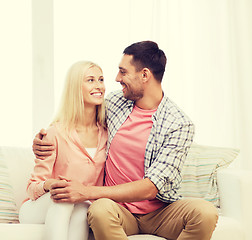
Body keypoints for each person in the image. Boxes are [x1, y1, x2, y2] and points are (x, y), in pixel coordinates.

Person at [33, 41, 218, 240]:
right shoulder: (114, 104)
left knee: (205, 213)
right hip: (118, 211)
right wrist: (42, 139)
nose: (117, 78)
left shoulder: (179, 124)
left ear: (145, 75)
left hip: (159, 213)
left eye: (123, 72)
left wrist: (85, 191)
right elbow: (77, 116)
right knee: (100, 209)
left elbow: (150, 187)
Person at [19, 61, 108, 240]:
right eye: (90, 80)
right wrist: (50, 184)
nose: (98, 86)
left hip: (81, 204)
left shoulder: (108, 134)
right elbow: (32, 187)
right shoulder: (55, 133)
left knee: (82, 208)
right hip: (39, 207)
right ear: (75, 88)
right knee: (65, 199)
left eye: (101, 79)